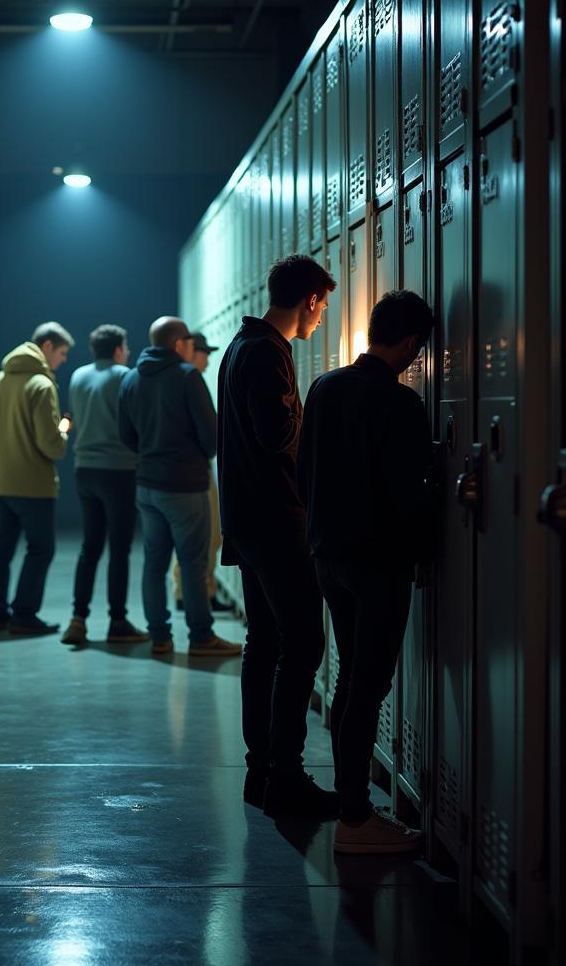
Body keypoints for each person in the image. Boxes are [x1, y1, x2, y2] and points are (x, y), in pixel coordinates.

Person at [298, 290, 434, 854]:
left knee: (349, 680)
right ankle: (355, 819)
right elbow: (410, 495)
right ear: (409, 343)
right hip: (379, 565)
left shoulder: (325, 387)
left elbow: (303, 471)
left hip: (330, 558)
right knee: (366, 689)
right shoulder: (402, 405)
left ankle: (353, 807)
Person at [217, 254, 338, 816]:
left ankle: (260, 771)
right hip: (276, 521)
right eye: (323, 304)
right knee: (303, 644)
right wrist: (313, 408)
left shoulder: (241, 346)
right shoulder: (268, 351)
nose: (322, 317)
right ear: (310, 298)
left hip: (249, 519)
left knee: (264, 643)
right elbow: (276, 436)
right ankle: (285, 775)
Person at [118, 316, 241, 657]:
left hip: (147, 486)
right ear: (179, 344)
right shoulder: (188, 377)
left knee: (154, 564)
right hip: (186, 486)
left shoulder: (130, 378)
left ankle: (159, 637)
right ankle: (201, 637)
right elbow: (211, 436)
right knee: (193, 563)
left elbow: (125, 435)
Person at [0, 322, 73, 636]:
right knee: (40, 549)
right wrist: (63, 432)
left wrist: (6, 451)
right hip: (33, 485)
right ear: (46, 346)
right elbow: (51, 445)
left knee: (2, 549)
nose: (63, 360)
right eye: (61, 353)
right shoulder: (42, 386)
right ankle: (24, 614)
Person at [60, 325, 147, 647]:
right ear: (117, 350)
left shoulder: (78, 376)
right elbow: (134, 421)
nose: (128, 352)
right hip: (119, 470)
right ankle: (117, 621)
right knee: (120, 549)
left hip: (84, 469)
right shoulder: (126, 375)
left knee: (90, 546)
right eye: (125, 346)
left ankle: (77, 619)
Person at [172, 332, 235, 616]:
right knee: (207, 536)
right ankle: (197, 596)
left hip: (188, 470)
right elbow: (208, 433)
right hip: (195, 470)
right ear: (188, 350)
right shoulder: (189, 380)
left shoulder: (183, 380)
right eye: (205, 353)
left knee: (200, 537)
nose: (208, 360)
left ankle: (192, 592)